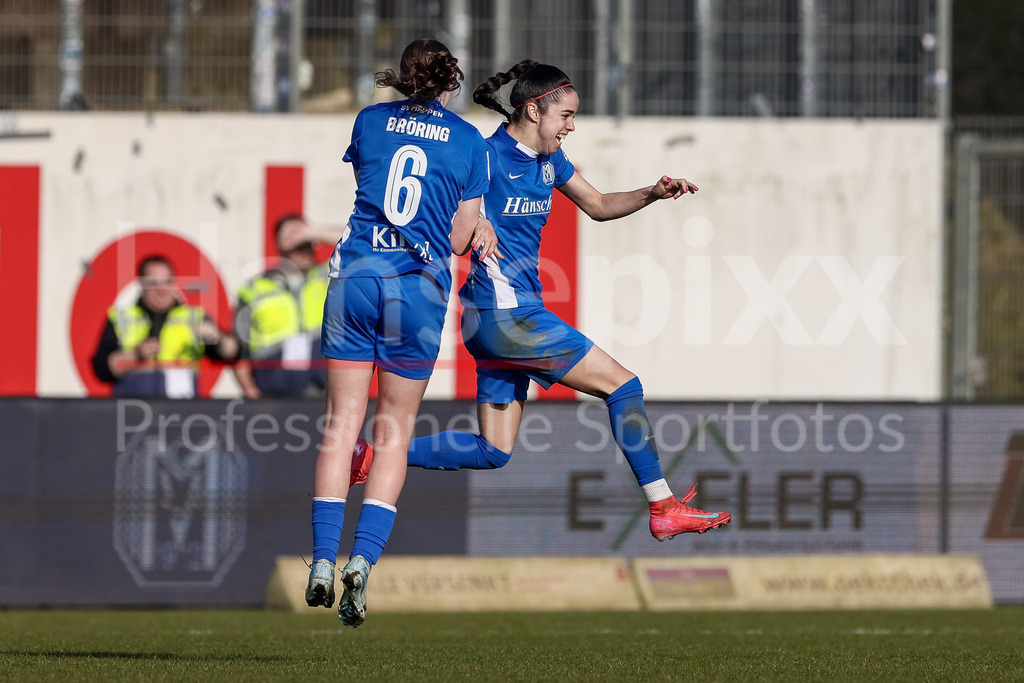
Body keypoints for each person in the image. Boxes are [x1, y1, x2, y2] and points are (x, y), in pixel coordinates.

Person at [348, 60, 731, 542]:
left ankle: (369, 455)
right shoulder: (483, 154)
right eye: (565, 116)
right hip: (505, 314)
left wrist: (652, 193)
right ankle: (663, 506)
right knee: (623, 386)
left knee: (493, 450)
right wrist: (474, 224)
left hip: (494, 320)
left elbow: (598, 206)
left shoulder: (551, 162)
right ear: (534, 109)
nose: (571, 126)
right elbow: (441, 218)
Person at [304, 38, 498, 628]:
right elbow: (462, 236)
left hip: (357, 279)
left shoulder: (368, 121)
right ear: (450, 81)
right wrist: (479, 224)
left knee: (342, 424)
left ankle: (319, 560)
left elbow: (370, 182)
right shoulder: (469, 141)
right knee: (392, 432)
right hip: (417, 291)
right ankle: (363, 561)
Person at [91, 254, 239, 398]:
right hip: (132, 413)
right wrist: (135, 355)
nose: (161, 290)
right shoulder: (122, 318)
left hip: (181, 415)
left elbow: (232, 353)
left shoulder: (194, 317)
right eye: (153, 283)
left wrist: (218, 338)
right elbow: (101, 369)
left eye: (167, 282)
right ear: (141, 284)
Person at [233, 214, 335, 399]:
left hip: (324, 392)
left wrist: (313, 232)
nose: (303, 246)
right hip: (273, 396)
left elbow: (363, 243)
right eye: (294, 238)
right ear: (280, 243)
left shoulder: (331, 277)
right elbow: (239, 350)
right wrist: (250, 392)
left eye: (306, 240)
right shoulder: (253, 289)